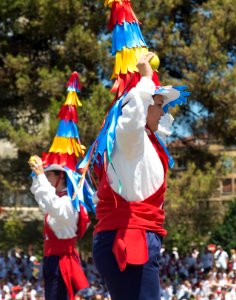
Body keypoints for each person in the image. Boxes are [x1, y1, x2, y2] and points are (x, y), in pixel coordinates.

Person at [92, 52, 187, 299]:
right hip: (128, 237)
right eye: (158, 105)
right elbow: (132, 119)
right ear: (143, 106)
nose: (163, 111)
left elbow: (157, 124)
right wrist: (144, 80)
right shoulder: (130, 140)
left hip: (137, 235)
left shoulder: (148, 142)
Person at [28, 158, 90, 299]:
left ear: (60, 176)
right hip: (52, 259)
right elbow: (42, 197)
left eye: (49, 174)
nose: (46, 178)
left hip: (62, 261)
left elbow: (51, 203)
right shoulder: (58, 199)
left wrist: (40, 176)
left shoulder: (69, 202)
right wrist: (38, 177)